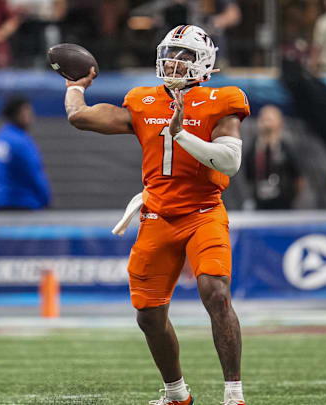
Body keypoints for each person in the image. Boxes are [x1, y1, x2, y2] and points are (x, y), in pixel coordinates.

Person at [63, 25, 248, 405]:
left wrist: (181, 134)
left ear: (205, 63)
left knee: (216, 293)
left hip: (203, 212)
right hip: (157, 215)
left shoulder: (222, 98)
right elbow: (79, 117)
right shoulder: (143, 100)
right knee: (147, 315)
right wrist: (74, 85)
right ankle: (177, 394)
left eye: (184, 56)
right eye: (170, 53)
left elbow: (230, 162)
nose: (173, 62)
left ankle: (234, 395)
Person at [0, 95, 51, 210]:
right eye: (27, 111)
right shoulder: (21, 142)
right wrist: (46, 200)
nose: (32, 115)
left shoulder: (0, 137)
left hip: (1, 202)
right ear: (17, 114)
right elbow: (34, 173)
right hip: (24, 204)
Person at [243, 104, 304, 210]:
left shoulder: (286, 149)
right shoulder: (253, 149)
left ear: (279, 122)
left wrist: (290, 197)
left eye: (270, 119)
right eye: (264, 118)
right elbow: (248, 176)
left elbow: (298, 178)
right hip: (260, 203)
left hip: (284, 204)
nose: (266, 122)